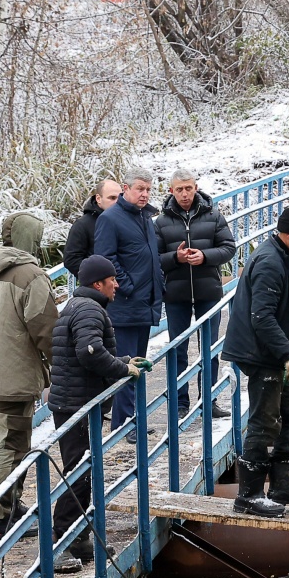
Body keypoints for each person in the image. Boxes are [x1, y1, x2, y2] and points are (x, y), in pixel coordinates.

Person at [47, 255, 152, 574]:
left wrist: (124, 360)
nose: (117, 285)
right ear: (98, 284)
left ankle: (78, 538)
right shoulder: (90, 309)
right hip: (76, 405)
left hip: (75, 401)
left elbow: (90, 351)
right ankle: (59, 544)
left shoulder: (81, 306)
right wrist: (123, 369)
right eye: (112, 280)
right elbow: (89, 352)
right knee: (78, 472)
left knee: (85, 471)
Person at [221, 205, 289, 517]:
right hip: (260, 354)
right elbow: (261, 317)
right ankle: (248, 495)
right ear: (288, 234)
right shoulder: (269, 262)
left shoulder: (286, 255)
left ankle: (281, 485)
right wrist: (288, 355)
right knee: (264, 420)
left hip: (275, 353)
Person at [0, 211, 59, 539]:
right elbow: (45, 327)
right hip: (16, 371)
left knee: (15, 438)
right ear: (29, 239)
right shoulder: (30, 275)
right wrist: (58, 364)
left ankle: (11, 502)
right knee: (11, 442)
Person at [154, 169, 236, 421]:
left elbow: (229, 247)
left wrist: (205, 256)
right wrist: (175, 258)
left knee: (209, 349)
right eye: (179, 189)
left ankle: (208, 400)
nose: (185, 193)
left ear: (196, 187)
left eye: (188, 188)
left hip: (207, 291)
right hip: (177, 294)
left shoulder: (213, 215)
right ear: (171, 191)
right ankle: (180, 402)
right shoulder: (160, 222)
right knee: (178, 349)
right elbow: (153, 260)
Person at [94, 167, 163, 444]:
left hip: (145, 303)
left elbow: (147, 256)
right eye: (140, 189)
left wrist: (157, 286)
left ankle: (133, 419)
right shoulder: (110, 219)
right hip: (124, 306)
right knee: (126, 365)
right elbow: (106, 259)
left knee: (139, 364)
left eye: (148, 189)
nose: (145, 194)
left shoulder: (145, 217)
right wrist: (129, 286)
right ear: (126, 189)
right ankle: (122, 424)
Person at [63, 180, 121, 278]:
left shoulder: (126, 220)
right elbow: (71, 260)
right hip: (100, 287)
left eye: (120, 198)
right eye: (112, 198)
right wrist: (97, 280)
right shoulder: (82, 225)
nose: (117, 202)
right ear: (98, 198)